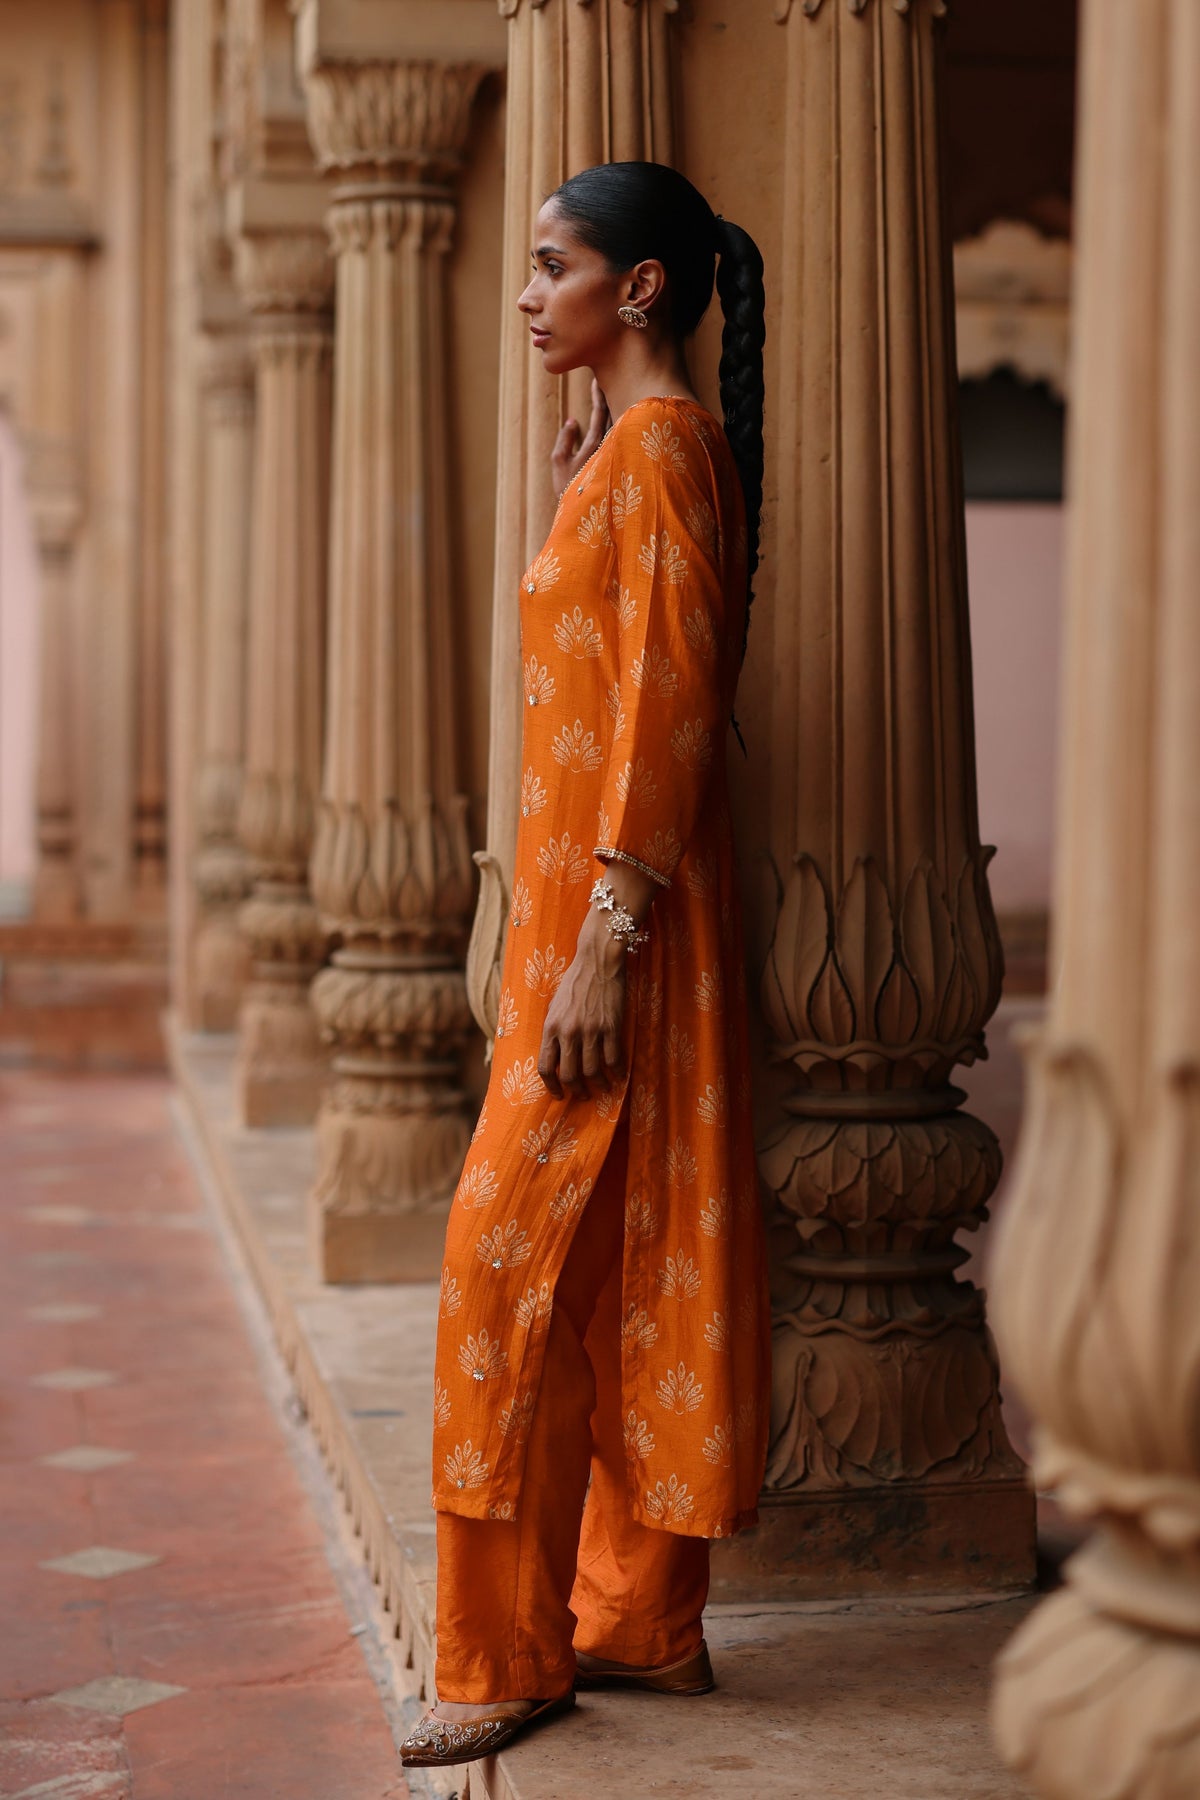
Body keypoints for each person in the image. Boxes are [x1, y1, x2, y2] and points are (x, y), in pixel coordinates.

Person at [399, 160, 771, 1772]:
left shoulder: (669, 449)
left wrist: (609, 940)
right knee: (608, 1276)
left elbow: (673, 706)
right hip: (583, 928)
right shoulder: (626, 455)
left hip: (618, 933)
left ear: (641, 290)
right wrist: (583, 487)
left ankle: (504, 1655)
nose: (529, 291)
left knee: (503, 1267)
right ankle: (636, 1622)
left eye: (553, 266)